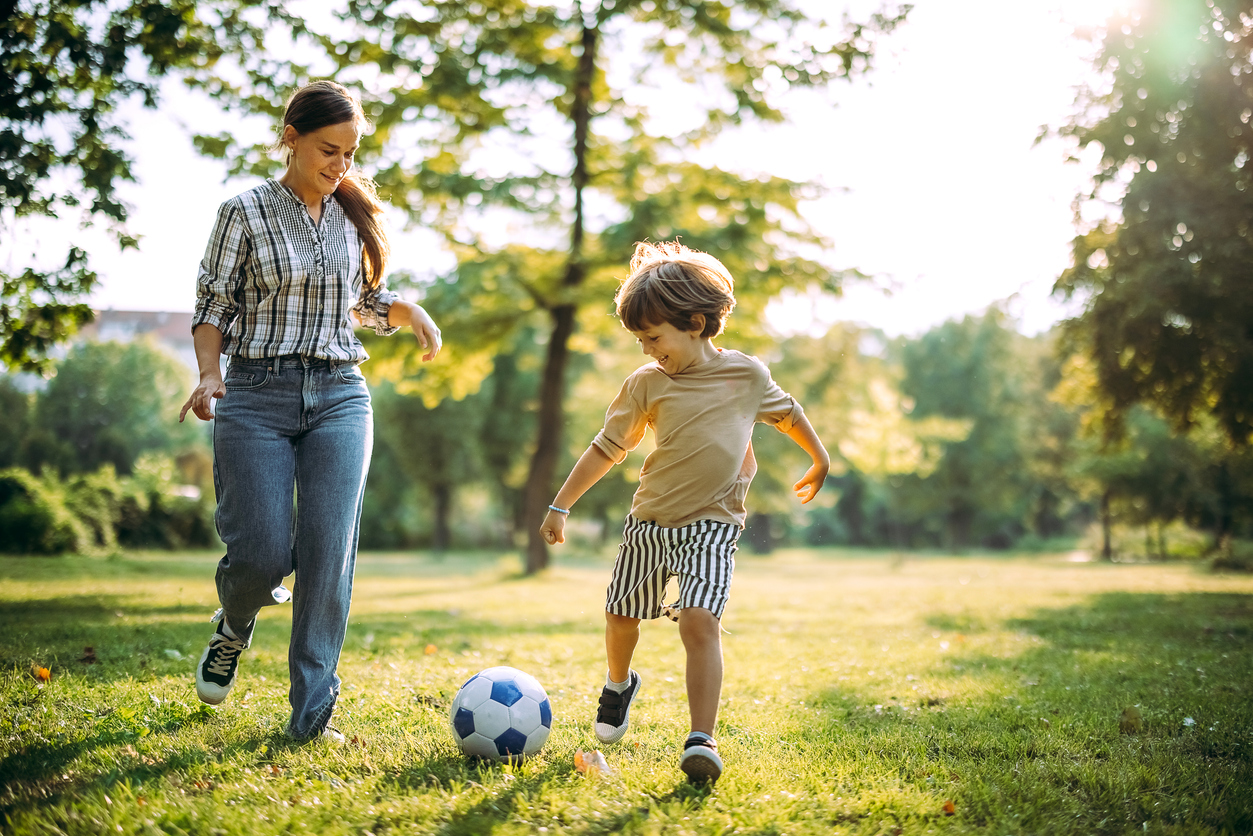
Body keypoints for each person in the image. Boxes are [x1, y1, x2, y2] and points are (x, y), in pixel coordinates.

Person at [178, 80, 442, 742]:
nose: (340, 166)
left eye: (350, 154)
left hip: (339, 394)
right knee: (262, 554)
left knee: (328, 553)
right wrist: (209, 375)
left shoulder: (350, 217)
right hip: (255, 394)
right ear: (291, 138)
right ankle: (234, 623)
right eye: (330, 150)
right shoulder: (242, 212)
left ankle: (310, 718)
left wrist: (406, 312)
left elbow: (360, 300)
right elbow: (214, 305)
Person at [539, 241, 830, 783]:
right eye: (641, 340)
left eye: (654, 337)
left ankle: (702, 738)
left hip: (715, 523)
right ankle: (619, 682)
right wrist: (560, 505)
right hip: (650, 521)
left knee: (699, 621)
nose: (649, 349)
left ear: (695, 323)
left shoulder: (745, 376)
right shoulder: (647, 383)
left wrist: (819, 457)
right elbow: (607, 447)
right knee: (621, 617)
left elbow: (788, 414)